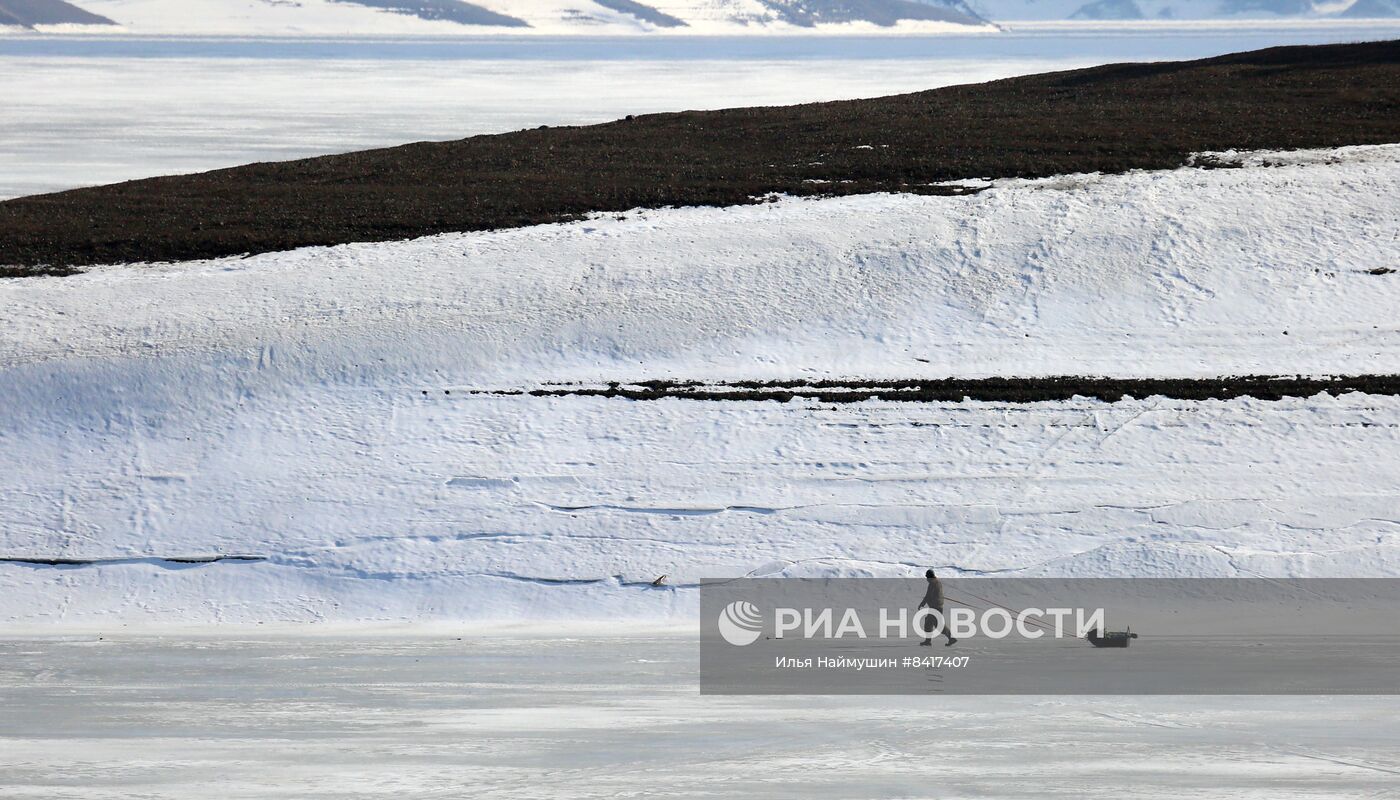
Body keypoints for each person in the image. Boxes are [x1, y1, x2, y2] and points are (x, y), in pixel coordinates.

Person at [918, 569, 957, 646]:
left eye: (927, 576)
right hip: (937, 606)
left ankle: (950, 638)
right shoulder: (937, 582)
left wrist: (922, 603)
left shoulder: (933, 583)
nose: (926, 578)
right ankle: (929, 641)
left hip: (935, 607)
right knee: (932, 624)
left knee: (934, 624)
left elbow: (928, 595)